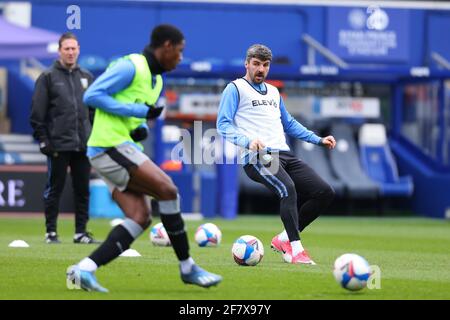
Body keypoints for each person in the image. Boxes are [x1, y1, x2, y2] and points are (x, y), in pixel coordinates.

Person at [66, 24, 222, 293]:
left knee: (140, 216)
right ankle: (187, 267)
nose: (181, 58)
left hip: (119, 145)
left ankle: (83, 270)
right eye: (180, 52)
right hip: (108, 145)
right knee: (168, 190)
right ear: (167, 47)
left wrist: (140, 125)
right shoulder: (131, 66)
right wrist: (137, 109)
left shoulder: (157, 80)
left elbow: (129, 116)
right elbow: (91, 95)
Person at [217, 44, 336, 265]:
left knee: (324, 192)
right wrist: (248, 141)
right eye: (256, 64)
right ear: (247, 64)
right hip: (257, 156)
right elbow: (223, 125)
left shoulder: (273, 92)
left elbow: (288, 123)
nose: (261, 69)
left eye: (265, 65)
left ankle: (283, 239)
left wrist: (318, 139)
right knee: (288, 188)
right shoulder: (235, 88)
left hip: (284, 154)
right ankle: (296, 251)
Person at [30, 32, 99, 244]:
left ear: (79, 50)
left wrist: (94, 138)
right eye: (66, 48)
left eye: (74, 48)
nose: (70, 52)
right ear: (60, 51)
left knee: (82, 190)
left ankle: (81, 233)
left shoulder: (87, 77)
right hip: (57, 144)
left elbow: (93, 113)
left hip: (82, 145)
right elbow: (37, 113)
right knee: (55, 189)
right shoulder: (47, 77)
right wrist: (44, 140)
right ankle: (51, 232)